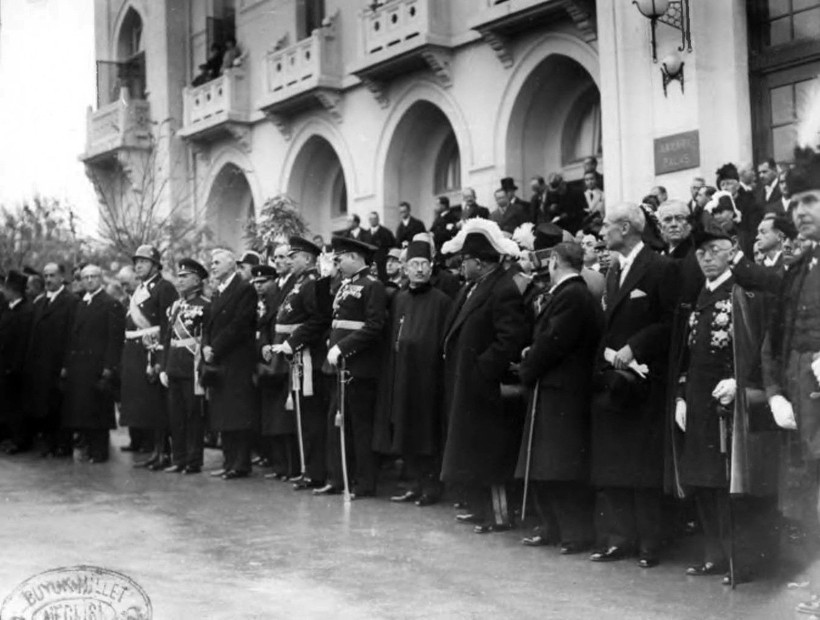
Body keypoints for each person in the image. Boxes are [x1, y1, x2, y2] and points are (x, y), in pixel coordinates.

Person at [672, 220, 780, 584]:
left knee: (730, 483)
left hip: (731, 401)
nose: (707, 259)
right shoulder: (699, 295)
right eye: (701, 253)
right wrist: (681, 396)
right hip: (700, 401)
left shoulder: (744, 291)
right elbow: (687, 353)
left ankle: (741, 559)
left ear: (730, 249)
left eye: (715, 251)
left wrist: (741, 381)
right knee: (703, 480)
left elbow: (756, 343)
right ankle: (714, 554)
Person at [589, 202, 676, 568]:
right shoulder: (612, 270)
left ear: (625, 228)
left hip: (645, 382)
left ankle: (649, 543)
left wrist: (634, 346)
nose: (602, 232)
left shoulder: (660, 267)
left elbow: (670, 322)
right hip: (614, 380)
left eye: (607, 226)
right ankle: (620, 538)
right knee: (614, 464)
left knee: (641, 468)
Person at [440, 219, 529, 533]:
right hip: (469, 386)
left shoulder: (502, 289)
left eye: (465, 261)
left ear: (480, 262)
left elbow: (510, 338)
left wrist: (482, 370)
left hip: (486, 388)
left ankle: (499, 515)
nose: (461, 266)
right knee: (474, 451)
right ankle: (480, 510)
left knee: (491, 454)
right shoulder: (475, 286)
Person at [762, 146, 820, 614]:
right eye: (796, 202)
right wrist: (778, 392)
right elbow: (776, 340)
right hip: (805, 399)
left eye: (812, 200)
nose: (801, 212)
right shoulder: (800, 267)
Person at [516, 242, 600, 553]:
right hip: (555, 389)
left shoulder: (572, 295)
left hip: (562, 391)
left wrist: (527, 365)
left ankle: (574, 533)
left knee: (561, 467)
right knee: (549, 466)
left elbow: (554, 340)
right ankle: (554, 527)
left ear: (553, 261)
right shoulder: (572, 293)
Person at [374, 240, 453, 506]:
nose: (420, 270)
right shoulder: (399, 298)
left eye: (424, 265)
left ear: (431, 268)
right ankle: (414, 483)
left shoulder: (441, 301)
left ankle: (431, 486)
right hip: (402, 375)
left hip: (428, 378)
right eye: (414, 265)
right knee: (405, 430)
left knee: (426, 433)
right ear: (405, 269)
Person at [316, 236, 387, 498]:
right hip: (339, 366)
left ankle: (364, 482)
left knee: (359, 427)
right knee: (337, 423)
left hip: (358, 365)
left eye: (340, 258)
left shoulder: (372, 286)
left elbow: (374, 326)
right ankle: (338, 478)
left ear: (355, 257)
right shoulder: (345, 285)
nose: (336, 263)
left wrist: (343, 347)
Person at [266, 237, 332, 491]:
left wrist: (293, 342)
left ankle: (315, 472)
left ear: (308, 258)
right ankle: (308, 470)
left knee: (312, 419)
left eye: (294, 256)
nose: (289, 260)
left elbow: (319, 320)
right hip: (298, 358)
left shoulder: (312, 283)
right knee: (304, 419)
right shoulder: (299, 283)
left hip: (309, 359)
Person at [202, 248, 259, 480]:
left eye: (217, 263)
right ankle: (228, 461)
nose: (212, 266)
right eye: (212, 262)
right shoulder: (218, 292)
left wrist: (215, 348)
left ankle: (240, 463)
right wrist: (206, 345)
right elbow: (208, 324)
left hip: (235, 359)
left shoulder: (244, 289)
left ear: (231, 265)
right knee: (223, 412)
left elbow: (240, 325)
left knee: (237, 412)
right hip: (218, 359)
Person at [121, 245, 178, 471]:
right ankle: (155, 451)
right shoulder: (140, 289)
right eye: (136, 262)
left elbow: (167, 325)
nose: (138, 265)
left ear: (155, 265)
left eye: (143, 261)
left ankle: (163, 452)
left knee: (158, 407)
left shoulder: (164, 288)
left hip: (153, 353)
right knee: (147, 407)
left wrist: (161, 360)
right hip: (137, 353)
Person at [61, 265, 125, 463]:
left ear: (101, 279)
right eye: (85, 277)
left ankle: (99, 451)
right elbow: (72, 336)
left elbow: (114, 339)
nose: (89, 280)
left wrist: (108, 367)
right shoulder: (81, 304)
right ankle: (89, 447)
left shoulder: (110, 304)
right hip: (80, 366)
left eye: (93, 277)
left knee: (98, 412)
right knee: (83, 411)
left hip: (97, 366)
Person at [159, 259, 210, 474]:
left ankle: (193, 460)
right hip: (173, 366)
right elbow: (167, 336)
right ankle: (178, 459)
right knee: (175, 416)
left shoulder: (206, 305)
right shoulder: (175, 306)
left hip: (192, 366)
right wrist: (163, 367)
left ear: (197, 280)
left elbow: (205, 337)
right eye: (179, 276)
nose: (180, 280)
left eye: (185, 276)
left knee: (192, 415)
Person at [24, 263, 77, 457]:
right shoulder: (39, 303)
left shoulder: (71, 301)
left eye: (52, 275)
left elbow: (72, 335)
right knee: (44, 405)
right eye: (45, 276)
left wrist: (66, 364)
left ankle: (63, 445)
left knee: (60, 406)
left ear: (62, 277)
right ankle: (49, 443)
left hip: (58, 364)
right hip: (40, 365)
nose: (48, 280)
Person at [0, 271, 34, 454]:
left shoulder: (26, 311)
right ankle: (9, 437)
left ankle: (20, 440)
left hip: (16, 367)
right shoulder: (8, 308)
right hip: (5, 365)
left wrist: (15, 366)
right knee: (7, 405)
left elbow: (23, 342)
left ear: (14, 290)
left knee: (17, 407)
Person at [716, 163, 764, 256]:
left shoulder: (751, 203)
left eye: (729, 183)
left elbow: (752, 232)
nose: (725, 187)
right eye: (722, 184)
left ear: (737, 186)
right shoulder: (718, 206)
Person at [362, 211, 396, 282]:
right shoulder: (365, 235)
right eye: (371, 219)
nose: (373, 221)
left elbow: (392, 248)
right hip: (369, 265)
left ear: (378, 219)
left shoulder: (386, 233)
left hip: (382, 265)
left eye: (374, 219)